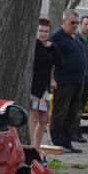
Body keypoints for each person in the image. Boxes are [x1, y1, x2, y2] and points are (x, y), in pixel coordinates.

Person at [49, 8, 85, 153]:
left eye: (77, 23)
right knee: (60, 113)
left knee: (72, 113)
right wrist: (52, 79)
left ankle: (67, 141)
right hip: (64, 82)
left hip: (76, 82)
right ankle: (56, 140)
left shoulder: (74, 37)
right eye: (72, 23)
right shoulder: (57, 37)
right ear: (64, 21)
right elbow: (50, 60)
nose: (75, 26)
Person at [29, 17, 60, 150]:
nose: (43, 34)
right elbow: (42, 59)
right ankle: (32, 148)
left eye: (46, 31)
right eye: (41, 30)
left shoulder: (48, 46)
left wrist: (52, 46)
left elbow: (59, 61)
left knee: (45, 119)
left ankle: (37, 146)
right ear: (36, 31)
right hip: (34, 88)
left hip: (45, 89)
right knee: (34, 118)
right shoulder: (34, 46)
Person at [72, 15, 88, 143]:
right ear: (80, 24)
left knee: (82, 106)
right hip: (78, 78)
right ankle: (74, 132)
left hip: (87, 77)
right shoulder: (76, 39)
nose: (87, 27)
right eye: (85, 24)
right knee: (76, 106)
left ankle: (76, 130)